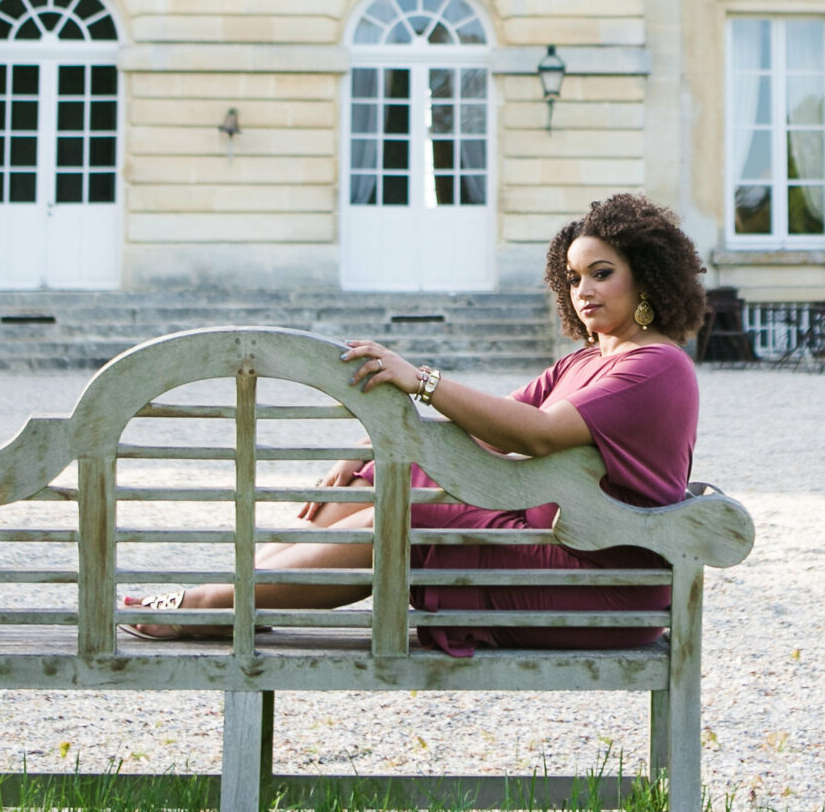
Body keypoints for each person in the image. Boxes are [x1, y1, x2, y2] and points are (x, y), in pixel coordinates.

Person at [120, 192, 706, 651]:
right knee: (388, 477)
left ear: (645, 275)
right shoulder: (585, 360)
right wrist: (376, 446)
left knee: (407, 513)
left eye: (601, 273)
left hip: (599, 584)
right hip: (543, 548)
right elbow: (483, 432)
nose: (583, 291)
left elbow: (537, 432)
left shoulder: (655, 366)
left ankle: (213, 605)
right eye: (573, 278)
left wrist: (420, 380)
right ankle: (233, 598)